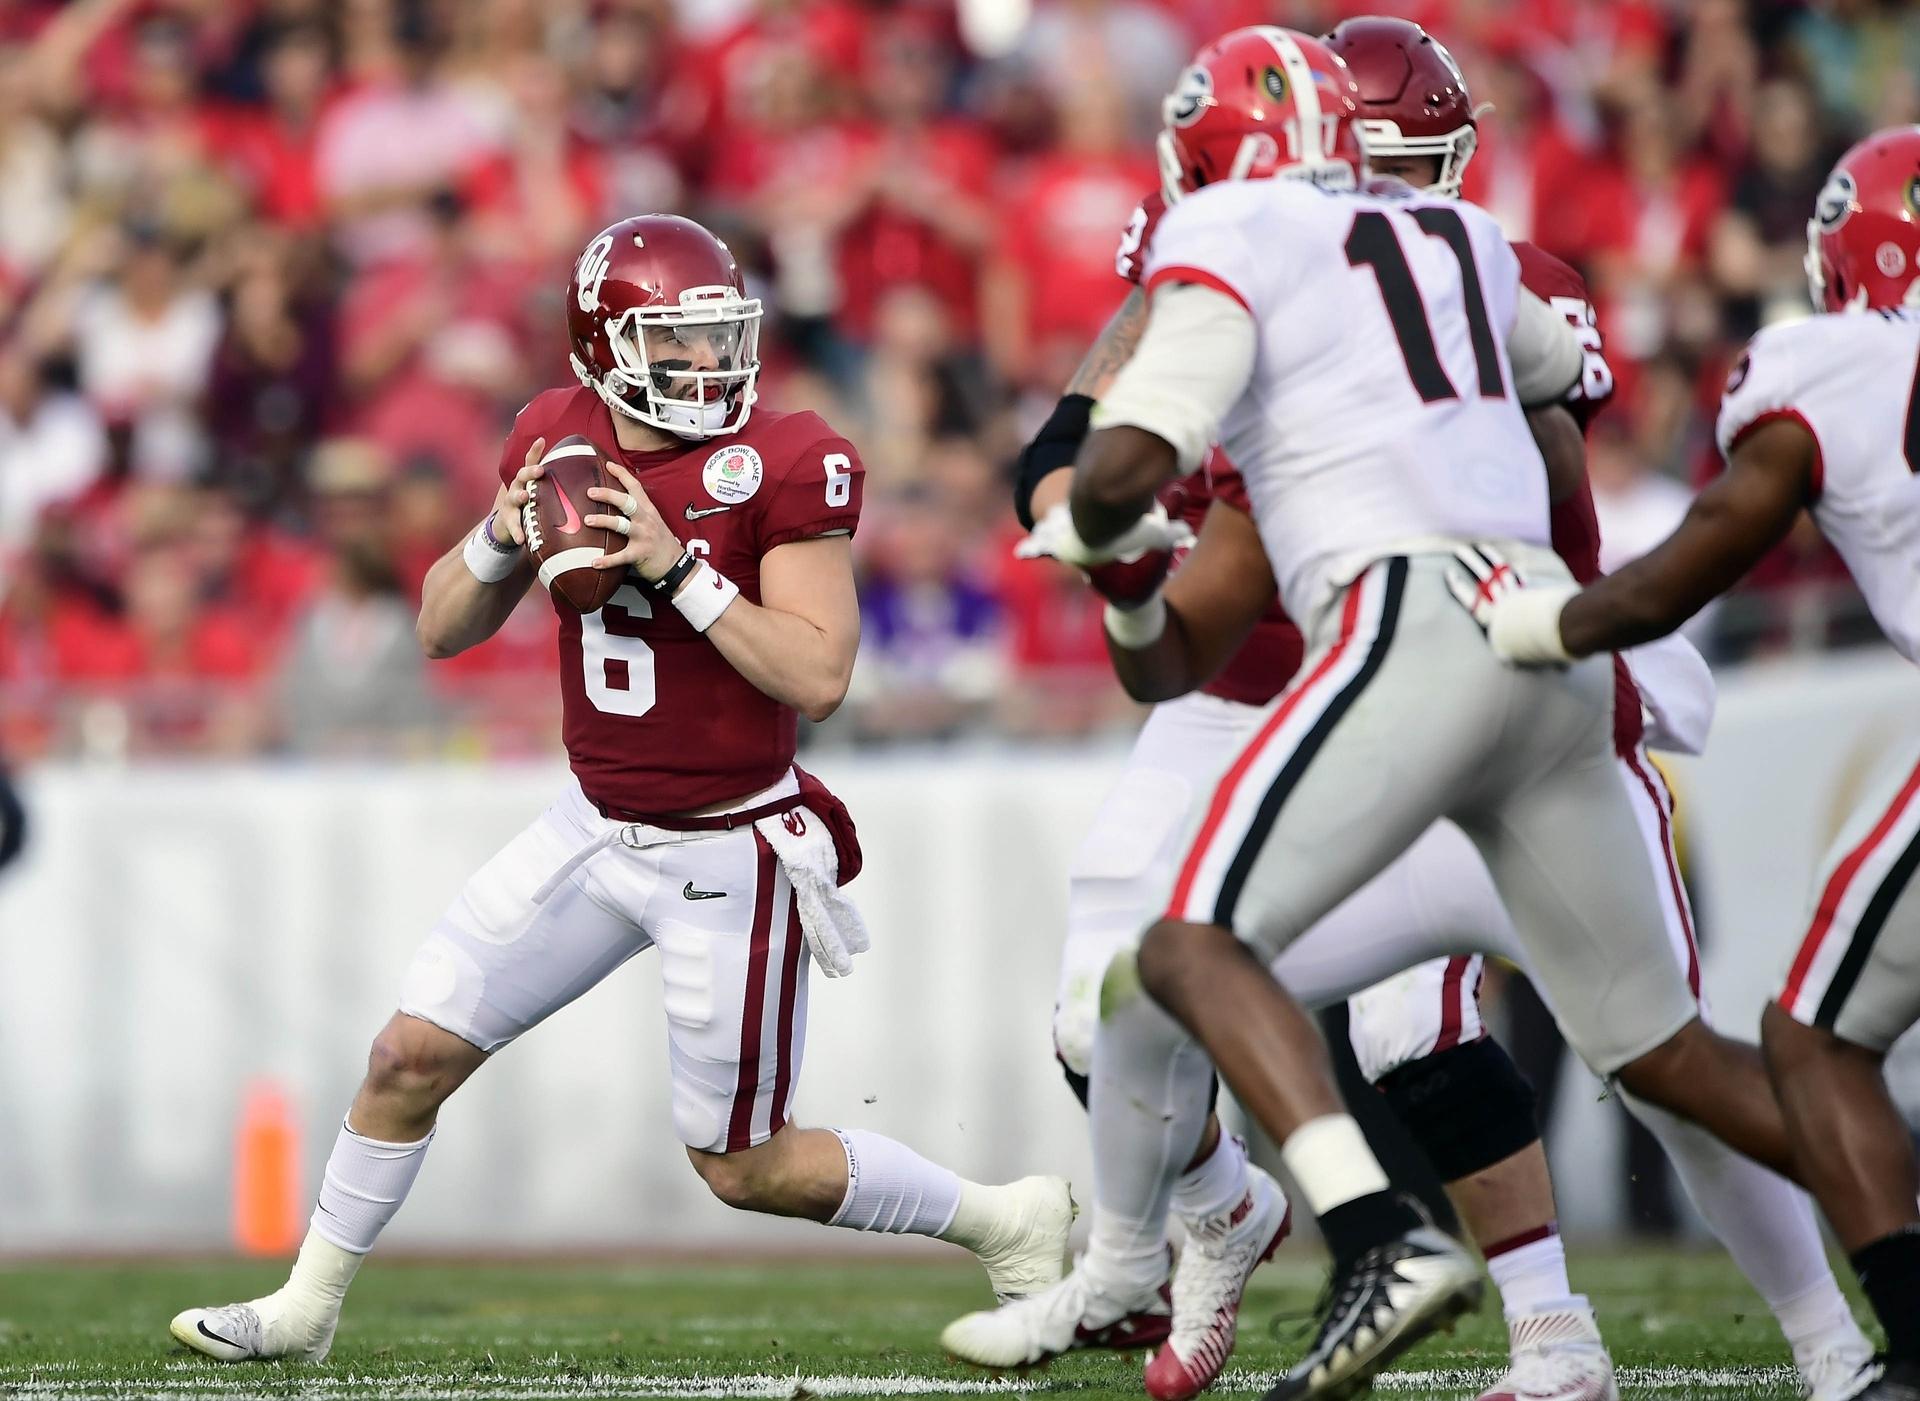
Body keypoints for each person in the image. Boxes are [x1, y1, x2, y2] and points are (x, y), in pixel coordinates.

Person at [943, 29, 1820, 1401]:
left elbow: (1528, 459)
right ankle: (1218, 1226)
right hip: (1389, 662)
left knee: (1283, 988)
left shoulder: (1384, 253)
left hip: (1410, 650)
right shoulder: (1454, 257)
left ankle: (1370, 1260)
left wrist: (1104, 514)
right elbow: (1163, 486)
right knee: (1117, 1001)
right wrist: (1096, 500)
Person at [168, 214, 1072, 1364]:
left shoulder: (786, 456)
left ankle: (1008, 1220)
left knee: (742, 1167)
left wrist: (677, 566)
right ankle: (306, 1307)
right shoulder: (555, 433)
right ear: (602, 349)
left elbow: (821, 674)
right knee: (406, 1057)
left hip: (727, 843)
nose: (709, 367)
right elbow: (441, 628)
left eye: (719, 338)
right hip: (593, 826)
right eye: (676, 343)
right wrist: (500, 536)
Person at [1464, 125, 1920, 1401]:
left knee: (1812, 1039)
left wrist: (1556, 620)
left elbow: (1707, 544)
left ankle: (1893, 1342)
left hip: (1567, 741)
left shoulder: (1829, 361)